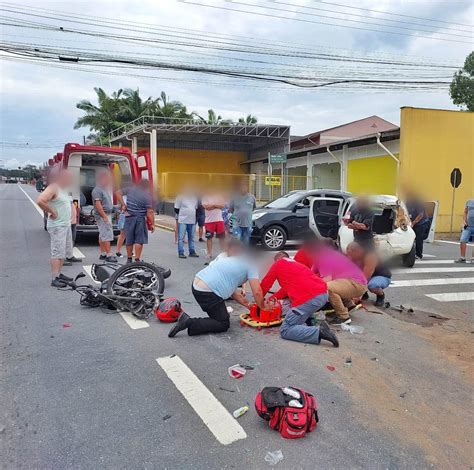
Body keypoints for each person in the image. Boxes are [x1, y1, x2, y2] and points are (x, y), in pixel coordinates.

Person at [168, 240, 265, 337]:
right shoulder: (251, 264)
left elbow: (232, 292)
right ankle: (189, 322)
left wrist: (248, 305)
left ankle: (194, 321)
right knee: (223, 323)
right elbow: (257, 292)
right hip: (208, 292)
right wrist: (263, 308)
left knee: (221, 316)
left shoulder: (233, 258)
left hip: (197, 285)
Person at [260, 252, 339, 347]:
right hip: (323, 294)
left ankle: (318, 331)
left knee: (286, 329)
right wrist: (272, 298)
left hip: (309, 298)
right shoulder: (296, 265)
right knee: (298, 310)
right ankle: (308, 322)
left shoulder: (278, 264)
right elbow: (284, 291)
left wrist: (259, 304)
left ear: (276, 260)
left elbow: (264, 286)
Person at [37, 170, 77, 287]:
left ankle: (59, 274)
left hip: (65, 225)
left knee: (63, 252)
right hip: (57, 226)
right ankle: (55, 278)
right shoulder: (53, 187)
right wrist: (52, 211)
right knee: (57, 252)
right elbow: (40, 200)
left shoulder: (64, 189)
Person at [312, 243, 367, 324]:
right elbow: (310, 274)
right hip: (354, 283)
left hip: (357, 284)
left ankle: (344, 317)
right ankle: (349, 305)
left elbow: (327, 280)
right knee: (334, 286)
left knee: (328, 288)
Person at [117, 180, 155, 263]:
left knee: (129, 239)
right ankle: (137, 259)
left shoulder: (130, 189)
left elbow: (117, 193)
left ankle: (129, 259)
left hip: (129, 218)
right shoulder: (146, 196)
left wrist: (123, 204)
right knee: (139, 240)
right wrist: (152, 224)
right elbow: (150, 212)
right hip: (140, 219)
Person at [346, 242, 391, 307]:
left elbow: (366, 276)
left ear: (357, 251)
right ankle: (365, 294)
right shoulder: (354, 258)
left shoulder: (369, 257)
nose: (349, 257)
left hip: (381, 276)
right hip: (367, 277)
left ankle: (380, 295)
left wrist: (358, 294)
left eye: (351, 254)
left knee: (372, 286)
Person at [92, 170, 117, 262]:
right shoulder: (97, 190)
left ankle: (102, 253)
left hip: (106, 214)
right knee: (106, 234)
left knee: (102, 235)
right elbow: (98, 205)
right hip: (103, 215)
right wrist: (104, 216)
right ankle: (109, 254)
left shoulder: (103, 189)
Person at [174, 190, 199, 259]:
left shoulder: (194, 197)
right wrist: (183, 214)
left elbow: (196, 208)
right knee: (181, 237)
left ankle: (192, 251)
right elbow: (176, 208)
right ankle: (181, 252)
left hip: (192, 220)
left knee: (191, 237)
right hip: (183, 220)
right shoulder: (180, 196)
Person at [202, 191, 226, 261]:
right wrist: (216, 205)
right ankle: (209, 253)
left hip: (219, 220)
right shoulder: (205, 197)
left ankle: (223, 253)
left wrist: (212, 205)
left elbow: (222, 205)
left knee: (221, 238)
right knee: (209, 238)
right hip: (209, 221)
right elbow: (207, 207)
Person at [406, 194, 430, 259]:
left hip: (421, 223)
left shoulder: (418, 203)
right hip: (412, 223)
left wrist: (413, 223)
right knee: (410, 238)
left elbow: (420, 214)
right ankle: (409, 254)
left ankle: (419, 255)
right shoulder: (407, 203)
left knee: (418, 239)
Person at [455, 198, 474, 263]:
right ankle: (462, 258)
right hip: (468, 226)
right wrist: (464, 221)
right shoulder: (469, 201)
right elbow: (465, 212)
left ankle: (473, 258)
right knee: (463, 240)